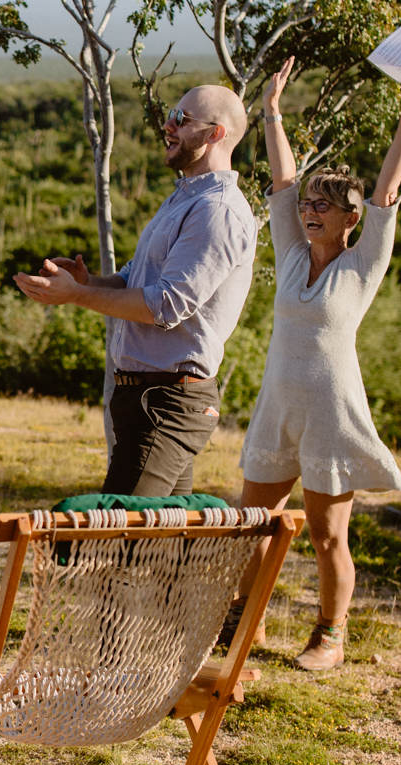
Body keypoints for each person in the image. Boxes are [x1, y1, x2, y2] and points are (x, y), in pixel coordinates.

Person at [235, 57, 401, 671]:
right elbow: (283, 182)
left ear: (352, 219)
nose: (311, 208)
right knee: (253, 527)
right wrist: (270, 113)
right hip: (278, 411)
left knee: (325, 536)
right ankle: (246, 625)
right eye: (310, 201)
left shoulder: (363, 264)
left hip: (331, 418)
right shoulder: (292, 253)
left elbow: (387, 191)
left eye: (327, 203)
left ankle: (329, 636)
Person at [14, 85, 256, 497]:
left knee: (115, 539)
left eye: (182, 119)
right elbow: (134, 280)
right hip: (147, 398)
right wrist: (89, 282)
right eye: (171, 115)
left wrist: (75, 295)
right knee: (156, 549)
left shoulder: (217, 210)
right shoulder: (183, 199)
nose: (168, 125)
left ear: (216, 134)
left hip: (168, 400)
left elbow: (166, 305)